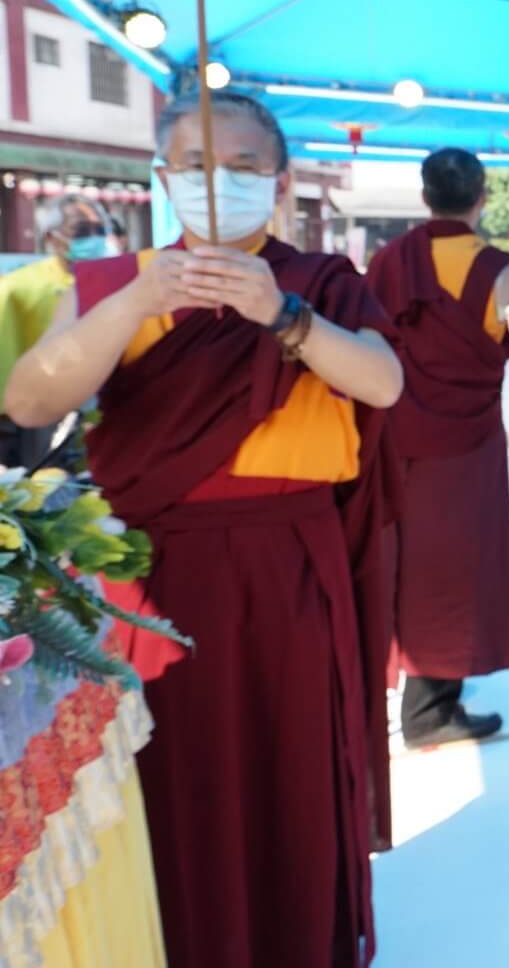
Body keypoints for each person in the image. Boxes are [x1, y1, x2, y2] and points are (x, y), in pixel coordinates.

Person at [4, 92, 404, 968]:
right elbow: (29, 398)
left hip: (290, 567)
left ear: (282, 181)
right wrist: (141, 294)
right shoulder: (118, 283)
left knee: (290, 768)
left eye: (244, 167)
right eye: (193, 165)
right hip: (151, 577)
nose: (217, 184)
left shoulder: (319, 281)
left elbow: (382, 383)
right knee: (176, 781)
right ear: (162, 176)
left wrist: (283, 316)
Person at [365, 148, 509, 748]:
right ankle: (430, 711)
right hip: (464, 443)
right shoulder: (499, 268)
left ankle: (399, 681)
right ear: (482, 197)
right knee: (452, 567)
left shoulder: (389, 259)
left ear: (425, 195)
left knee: (401, 560)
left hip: (393, 433)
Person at [0, 195, 109, 467]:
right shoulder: (17, 287)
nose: (93, 238)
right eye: (82, 231)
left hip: (105, 409)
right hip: (41, 417)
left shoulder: (115, 281)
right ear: (51, 237)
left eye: (100, 230)